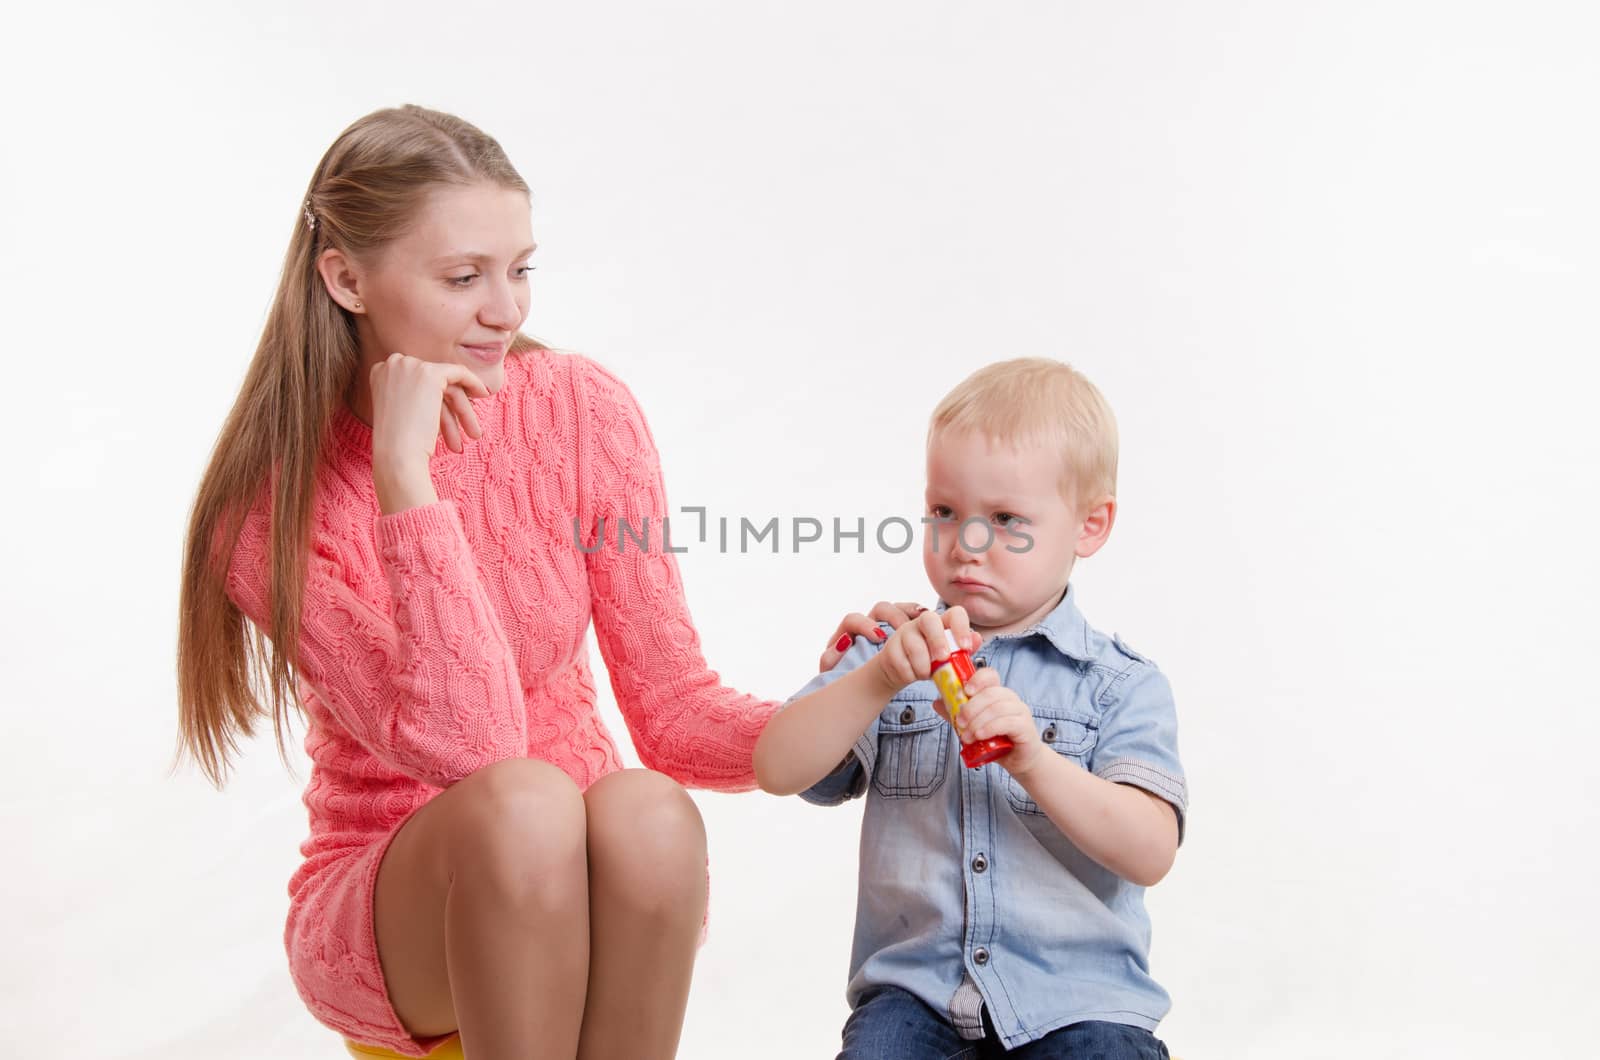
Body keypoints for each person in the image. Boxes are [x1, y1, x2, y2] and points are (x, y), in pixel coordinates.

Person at [174, 103, 910, 1060]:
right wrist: (406, 483)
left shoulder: (579, 406)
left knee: (648, 810)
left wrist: (858, 691)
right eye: (463, 277)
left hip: (589, 882)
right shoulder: (266, 509)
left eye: (520, 270)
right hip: (400, 901)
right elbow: (472, 749)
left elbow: (675, 707)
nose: (507, 310)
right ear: (346, 278)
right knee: (523, 805)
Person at [754, 358, 1187, 1059]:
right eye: (945, 513)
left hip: (1080, 1002)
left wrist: (1036, 761)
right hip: (914, 997)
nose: (966, 545)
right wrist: (874, 679)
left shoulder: (1118, 684)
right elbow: (776, 765)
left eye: (1007, 520)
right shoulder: (894, 651)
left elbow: (1149, 850)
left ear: (1090, 525)